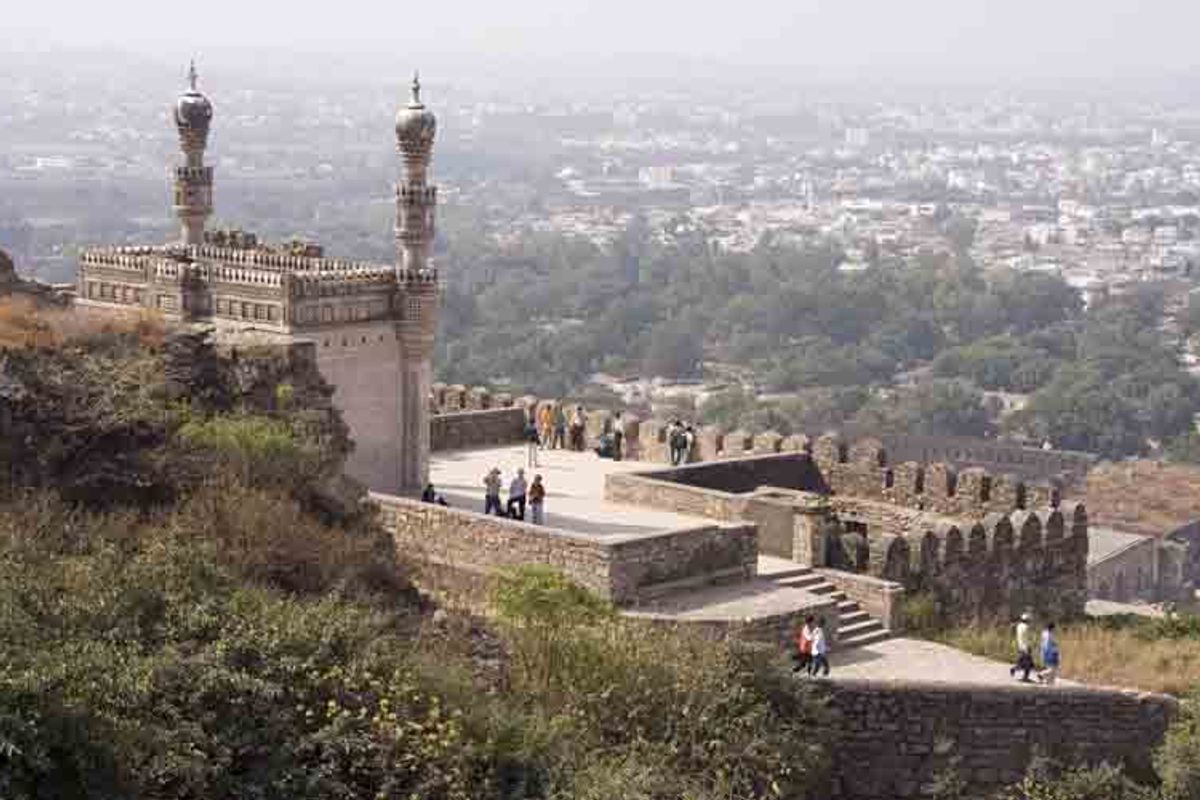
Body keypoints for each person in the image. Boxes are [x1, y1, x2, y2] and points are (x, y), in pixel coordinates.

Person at [1010, 612, 1034, 682]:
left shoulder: (1019, 626)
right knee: (1028, 664)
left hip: (1020, 646)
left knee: (1022, 661)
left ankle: (1014, 669)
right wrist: (1028, 648)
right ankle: (1025, 678)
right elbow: (1027, 638)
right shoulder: (1026, 627)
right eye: (1029, 620)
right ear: (1027, 620)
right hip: (1025, 647)